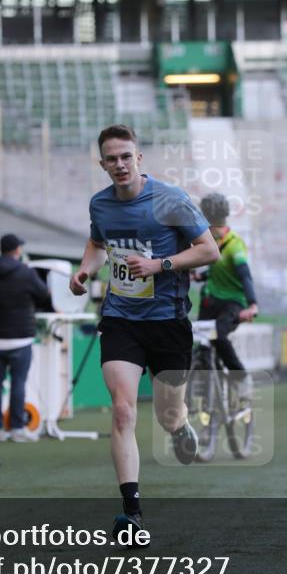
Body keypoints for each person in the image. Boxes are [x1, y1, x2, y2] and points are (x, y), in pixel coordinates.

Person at [69, 124, 219, 543]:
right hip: (121, 319)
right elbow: (98, 244)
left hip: (168, 322)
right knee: (123, 411)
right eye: (111, 159)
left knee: (168, 414)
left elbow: (209, 250)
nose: (119, 165)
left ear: (139, 158)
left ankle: (180, 425)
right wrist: (85, 270)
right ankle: (131, 513)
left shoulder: (170, 199)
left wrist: (160, 265)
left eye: (126, 157)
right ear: (102, 164)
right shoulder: (100, 204)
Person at [0, 233, 53, 443]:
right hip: (21, 338)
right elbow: (44, 294)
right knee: (18, 383)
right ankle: (16, 429)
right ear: (16, 250)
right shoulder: (26, 272)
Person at [194, 192, 259, 408]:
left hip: (232, 303)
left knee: (218, 336)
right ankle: (208, 396)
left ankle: (241, 378)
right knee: (202, 345)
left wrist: (252, 304)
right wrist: (200, 276)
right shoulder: (211, 241)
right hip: (210, 301)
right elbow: (218, 269)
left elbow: (244, 275)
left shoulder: (234, 245)